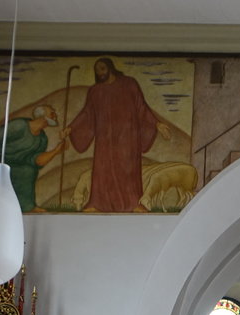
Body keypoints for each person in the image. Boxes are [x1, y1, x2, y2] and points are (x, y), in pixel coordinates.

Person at [66, 57, 172, 212]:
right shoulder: (95, 91)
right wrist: (71, 128)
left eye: (102, 68)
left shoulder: (129, 84)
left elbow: (141, 107)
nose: (99, 73)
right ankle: (97, 203)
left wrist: (157, 123)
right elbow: (87, 114)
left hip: (127, 137)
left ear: (110, 67)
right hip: (105, 139)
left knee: (128, 169)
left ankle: (134, 203)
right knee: (103, 170)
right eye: (97, 70)